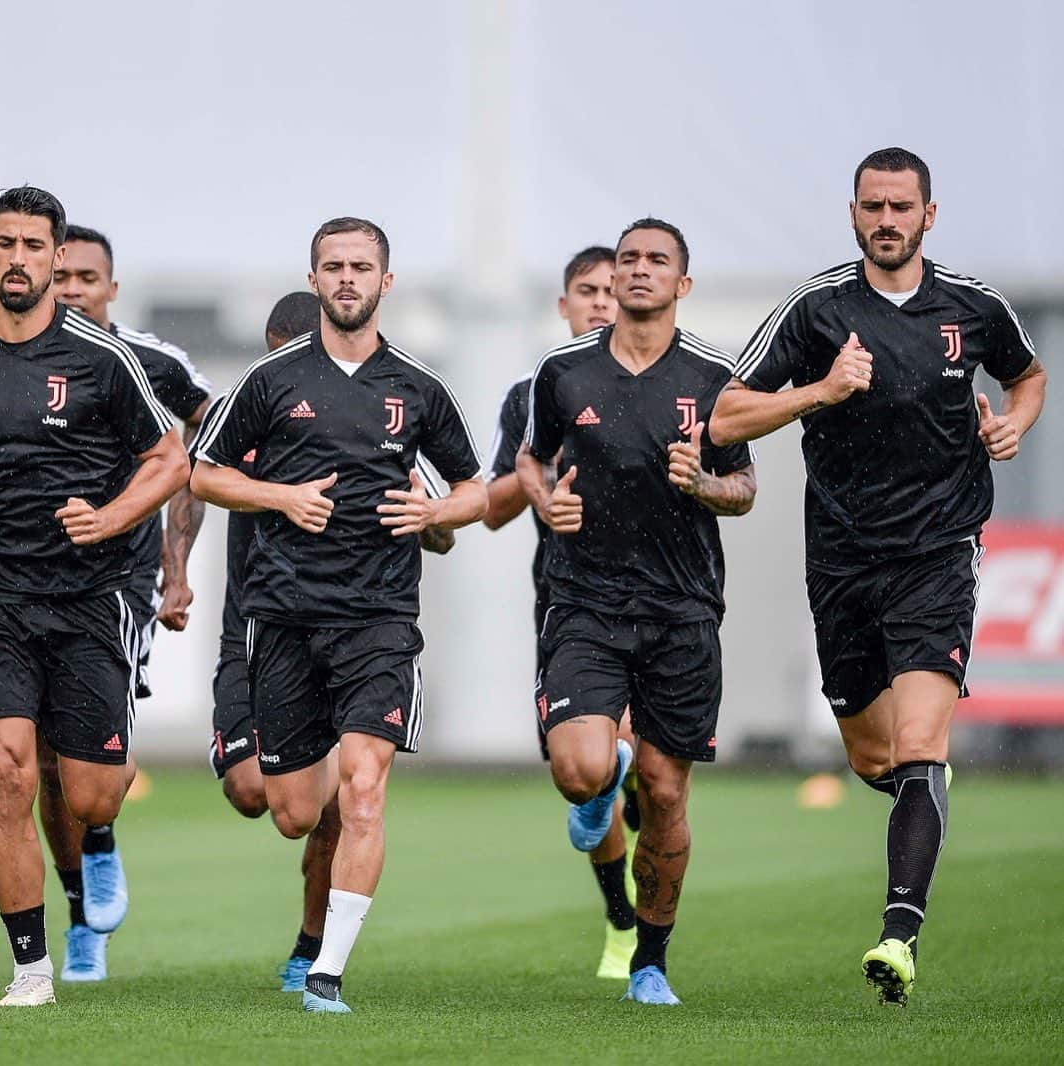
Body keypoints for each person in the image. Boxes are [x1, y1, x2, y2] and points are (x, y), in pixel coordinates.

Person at [709, 147, 1047, 1006]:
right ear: (853, 213)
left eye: (902, 205)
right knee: (875, 757)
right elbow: (727, 415)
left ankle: (899, 937)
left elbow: (1030, 375)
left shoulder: (972, 307)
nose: (886, 218)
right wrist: (821, 390)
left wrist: (1012, 422)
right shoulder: (817, 308)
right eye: (872, 205)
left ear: (929, 214)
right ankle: (920, 794)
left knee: (921, 744)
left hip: (938, 553)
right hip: (843, 561)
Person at [190, 218, 486, 1013]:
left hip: (380, 620)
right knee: (292, 812)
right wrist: (281, 496)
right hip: (284, 621)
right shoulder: (272, 380)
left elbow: (477, 489)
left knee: (363, 790)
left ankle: (326, 971)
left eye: (362, 266)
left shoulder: (418, 387)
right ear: (315, 279)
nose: (347, 278)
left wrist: (438, 514)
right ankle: (321, 869)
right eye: (333, 266)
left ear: (387, 281)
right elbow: (203, 476)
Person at [517, 219, 756, 1005]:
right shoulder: (563, 371)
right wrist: (547, 501)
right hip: (584, 599)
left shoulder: (718, 375)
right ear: (610, 280)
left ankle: (650, 961)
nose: (640, 271)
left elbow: (746, 489)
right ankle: (597, 781)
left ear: (682, 285)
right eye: (629, 260)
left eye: (658, 261)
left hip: (682, 608)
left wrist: (702, 485)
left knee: (664, 790)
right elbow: (530, 457)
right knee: (581, 765)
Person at [0, 186, 188, 1007]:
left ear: (55, 254)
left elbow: (174, 458)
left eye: (32, 246)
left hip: (91, 598)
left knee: (86, 792)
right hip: (3, 600)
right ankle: (33, 966)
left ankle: (101, 833)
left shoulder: (102, 360)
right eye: (3, 243)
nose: (16, 259)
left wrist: (111, 516)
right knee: (7, 771)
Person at [42, 224, 212, 981]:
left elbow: (194, 457)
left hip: (117, 585)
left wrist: (176, 565)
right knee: (39, 759)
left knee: (87, 775)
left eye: (87, 277)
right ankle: (81, 915)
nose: (72, 288)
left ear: (112, 287)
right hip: (22, 582)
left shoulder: (150, 364)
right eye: (62, 275)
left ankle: (101, 832)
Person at [486, 246, 641, 979]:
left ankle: (645, 936)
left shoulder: (666, 377)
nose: (603, 303)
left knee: (644, 772)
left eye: (614, 290)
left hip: (660, 594)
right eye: (588, 291)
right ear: (565, 305)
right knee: (585, 767)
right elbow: (491, 506)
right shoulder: (534, 391)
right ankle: (620, 918)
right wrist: (537, 476)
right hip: (569, 598)